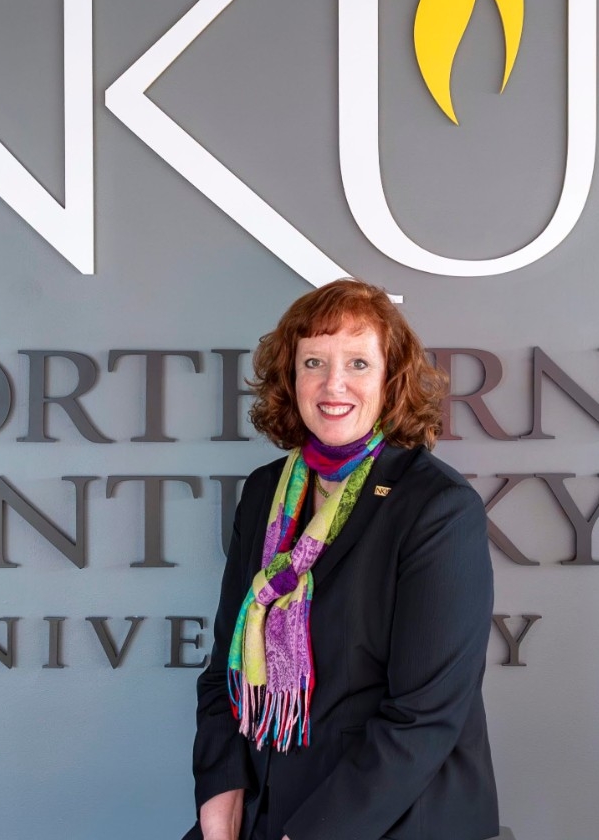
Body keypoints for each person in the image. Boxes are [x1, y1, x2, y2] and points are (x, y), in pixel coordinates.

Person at [186, 278, 499, 840]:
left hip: (387, 821)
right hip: (264, 811)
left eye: (358, 362)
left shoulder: (438, 507)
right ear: (292, 377)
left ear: (390, 380)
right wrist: (218, 816)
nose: (334, 384)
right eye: (314, 362)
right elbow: (223, 675)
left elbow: (422, 718)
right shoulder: (264, 494)